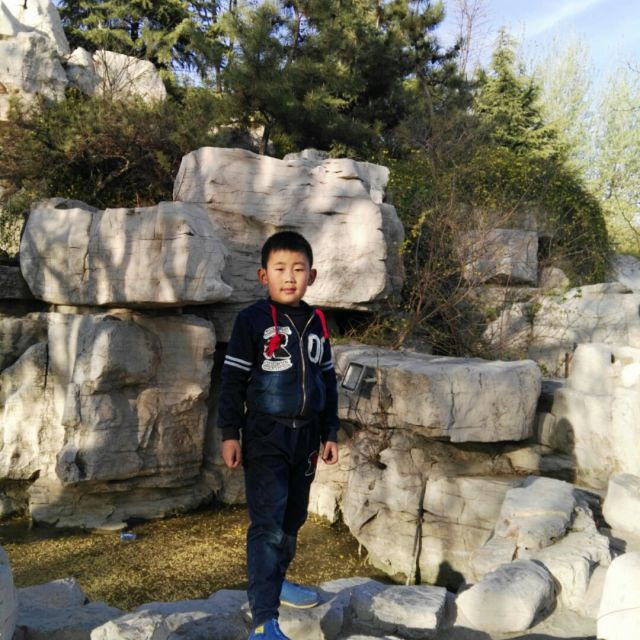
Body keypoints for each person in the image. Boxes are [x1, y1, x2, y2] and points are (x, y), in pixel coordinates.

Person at [218, 231, 340, 640]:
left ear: (312, 276)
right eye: (280, 269)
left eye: (299, 269)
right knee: (267, 524)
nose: (290, 277)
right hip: (265, 435)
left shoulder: (317, 322)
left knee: (293, 519)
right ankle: (263, 620)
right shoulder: (251, 320)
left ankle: (278, 580)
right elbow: (232, 381)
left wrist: (330, 431)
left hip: (306, 438)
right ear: (263, 275)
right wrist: (230, 433)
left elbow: (327, 380)